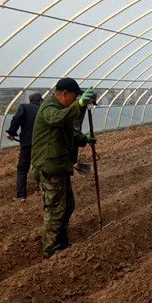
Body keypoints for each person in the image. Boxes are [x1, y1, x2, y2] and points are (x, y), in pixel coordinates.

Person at [31, 77, 96, 258]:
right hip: (49, 167)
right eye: (75, 97)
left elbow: (71, 131)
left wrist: (84, 139)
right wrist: (79, 105)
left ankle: (61, 241)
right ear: (65, 94)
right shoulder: (49, 108)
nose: (76, 101)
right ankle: (51, 250)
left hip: (60, 165)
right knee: (55, 210)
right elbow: (57, 119)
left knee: (67, 206)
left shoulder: (61, 109)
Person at [6, 92, 43, 201]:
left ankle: (21, 196)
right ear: (40, 101)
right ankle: (43, 189)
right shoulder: (43, 110)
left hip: (27, 143)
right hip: (42, 143)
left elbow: (17, 119)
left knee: (22, 168)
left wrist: (11, 132)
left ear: (30, 100)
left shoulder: (24, 107)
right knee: (41, 166)